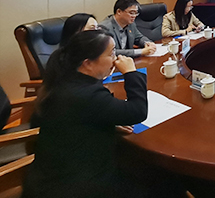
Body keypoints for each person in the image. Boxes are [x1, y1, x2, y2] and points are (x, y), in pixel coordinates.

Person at [22, 30, 148, 198]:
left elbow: (73, 121)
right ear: (87, 63)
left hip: (48, 177)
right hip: (76, 186)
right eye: (111, 53)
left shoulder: (62, 81)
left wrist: (106, 124)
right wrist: (131, 72)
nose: (116, 59)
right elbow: (137, 111)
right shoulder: (88, 94)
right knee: (153, 179)